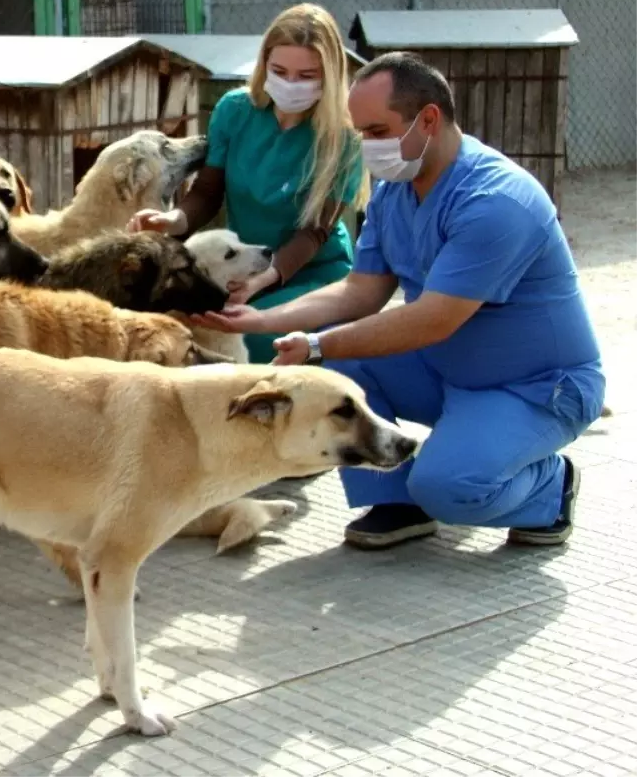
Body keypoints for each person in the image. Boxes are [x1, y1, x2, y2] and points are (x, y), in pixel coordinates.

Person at [189, 51, 606, 550]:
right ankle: (396, 501)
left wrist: (319, 345)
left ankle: (550, 487)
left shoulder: (496, 202)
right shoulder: (395, 190)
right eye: (359, 132)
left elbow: (432, 320)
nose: (364, 147)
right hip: (448, 370)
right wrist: (258, 320)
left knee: (449, 486)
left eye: (376, 131)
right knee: (342, 377)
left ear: (428, 119)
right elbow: (360, 290)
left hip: (535, 387)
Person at [127, 2, 369, 364]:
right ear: (264, 65)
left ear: (330, 77)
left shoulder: (345, 137)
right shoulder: (235, 110)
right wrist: (174, 220)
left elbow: (315, 233)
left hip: (311, 273)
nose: (290, 84)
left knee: (253, 338)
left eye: (307, 75)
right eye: (280, 71)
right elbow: (208, 192)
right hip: (241, 268)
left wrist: (264, 280)